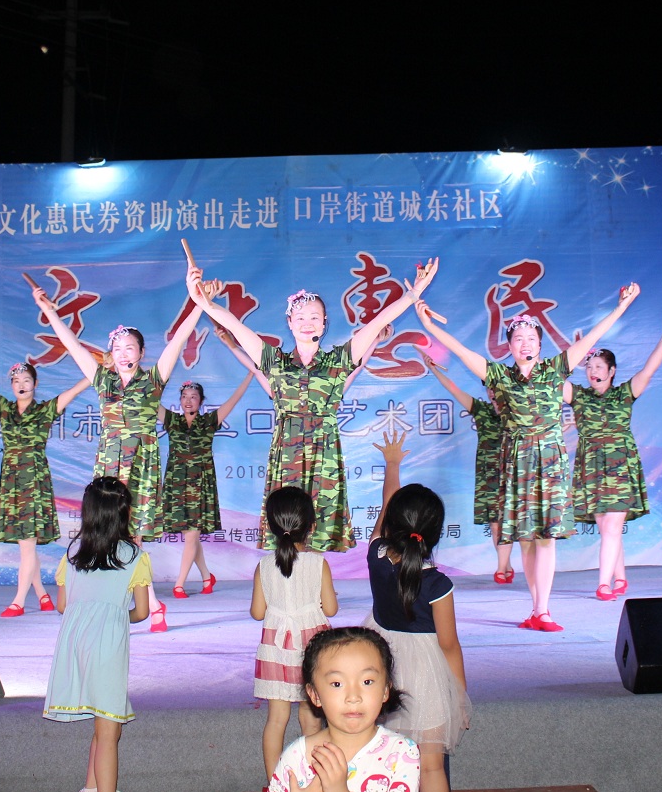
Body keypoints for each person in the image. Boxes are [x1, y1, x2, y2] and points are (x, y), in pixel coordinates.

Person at [414, 281, 640, 632]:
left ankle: (542, 610)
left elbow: (592, 337)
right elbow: (460, 350)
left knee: (546, 538)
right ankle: (536, 609)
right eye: (518, 339)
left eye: (531, 338)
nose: (526, 344)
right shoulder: (499, 376)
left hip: (549, 462)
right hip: (517, 464)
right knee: (526, 540)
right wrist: (428, 325)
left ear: (540, 343)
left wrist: (621, 307)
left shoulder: (555, 370)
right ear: (510, 346)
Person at [187, 258, 438, 551]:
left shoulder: (338, 361)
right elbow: (233, 324)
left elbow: (377, 323)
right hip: (287, 452)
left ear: (324, 322)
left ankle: (314, 579)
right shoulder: (274, 361)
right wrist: (202, 300)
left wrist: (412, 294)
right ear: (290, 323)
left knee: (318, 529)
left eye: (314, 317)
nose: (307, 323)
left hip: (324, 452)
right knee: (287, 526)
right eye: (300, 317)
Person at [32, 268, 207, 630]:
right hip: (110, 464)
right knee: (109, 533)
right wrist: (51, 313)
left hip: (141, 463)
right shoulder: (102, 380)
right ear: (111, 353)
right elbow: (73, 345)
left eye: (130, 347)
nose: (124, 352)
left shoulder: (154, 380)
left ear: (141, 352)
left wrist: (199, 302)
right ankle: (151, 605)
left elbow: (179, 339)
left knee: (133, 537)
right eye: (117, 347)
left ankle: (145, 604)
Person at [0, 330, 89, 617]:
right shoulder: (4, 409)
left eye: (27, 380)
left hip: (34, 481)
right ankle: (43, 596)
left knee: (27, 545)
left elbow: (77, 389)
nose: (21, 385)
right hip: (11, 480)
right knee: (26, 546)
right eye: (16, 381)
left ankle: (18, 601)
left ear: (35, 384)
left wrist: (101, 368)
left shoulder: (45, 410)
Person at [366, 430, 468, 792]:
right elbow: (449, 646)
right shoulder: (438, 585)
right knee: (431, 765)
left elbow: (387, 506)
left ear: (391, 526)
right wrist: (459, 697)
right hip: (428, 676)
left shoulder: (376, 556)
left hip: (382, 668)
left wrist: (392, 464)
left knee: (386, 760)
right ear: (435, 534)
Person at [43, 476, 153, 792]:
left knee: (104, 722)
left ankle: (90, 788)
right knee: (108, 730)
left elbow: (63, 605)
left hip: (74, 642)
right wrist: (117, 615)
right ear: (124, 513)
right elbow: (142, 612)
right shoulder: (134, 556)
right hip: (107, 646)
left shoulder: (74, 553)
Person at [564, 321, 662, 601]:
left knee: (611, 528)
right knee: (608, 529)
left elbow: (648, 370)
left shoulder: (624, 394)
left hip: (620, 466)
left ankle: (603, 585)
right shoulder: (578, 396)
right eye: (589, 367)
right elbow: (554, 378)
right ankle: (620, 578)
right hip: (591, 467)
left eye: (599, 367)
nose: (593, 371)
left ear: (612, 371)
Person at [251, 485, 340, 784]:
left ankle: (274, 784)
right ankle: (312, 783)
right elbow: (331, 608)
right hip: (312, 650)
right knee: (312, 720)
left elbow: (257, 612)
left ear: (271, 527)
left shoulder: (264, 566)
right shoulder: (318, 563)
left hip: (277, 650)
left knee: (276, 720)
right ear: (311, 526)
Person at [266, 626, 421, 792]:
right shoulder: (298, 756)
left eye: (367, 682)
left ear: (385, 690)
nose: (353, 697)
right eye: (337, 684)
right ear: (315, 694)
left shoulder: (401, 752)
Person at [415, 344, 516, 585]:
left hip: (514, 474)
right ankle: (504, 564)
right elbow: (453, 389)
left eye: (497, 388)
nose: (493, 392)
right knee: (496, 525)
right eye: (490, 388)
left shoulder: (518, 413)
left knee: (508, 522)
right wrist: (433, 368)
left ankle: (502, 567)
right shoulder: (481, 410)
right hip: (489, 476)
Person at [160, 373, 255, 597]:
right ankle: (206, 577)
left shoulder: (209, 421)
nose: (188, 401)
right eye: (184, 396)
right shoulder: (172, 420)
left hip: (200, 485)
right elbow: (150, 396)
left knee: (192, 535)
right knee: (190, 536)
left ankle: (179, 584)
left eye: (193, 397)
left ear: (201, 401)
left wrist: (251, 374)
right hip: (176, 485)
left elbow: (234, 399)